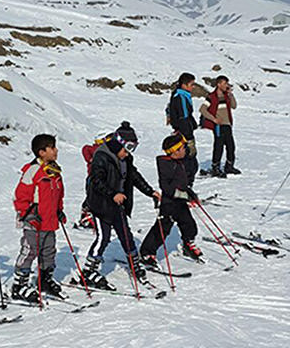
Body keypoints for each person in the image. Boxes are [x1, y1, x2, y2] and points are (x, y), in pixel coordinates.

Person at [82, 122, 161, 290]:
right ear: (118, 144)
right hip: (100, 205)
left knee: (126, 235)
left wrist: (150, 192)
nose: (127, 154)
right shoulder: (101, 156)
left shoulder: (126, 158)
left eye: (130, 151)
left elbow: (134, 176)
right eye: (126, 150)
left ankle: (135, 264)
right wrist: (113, 194)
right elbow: (97, 181)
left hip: (118, 205)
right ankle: (89, 271)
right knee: (103, 238)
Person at [12, 134, 66, 302]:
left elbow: (58, 194)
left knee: (49, 251)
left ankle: (44, 280)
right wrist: (27, 215)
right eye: (52, 148)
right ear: (42, 152)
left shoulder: (55, 171)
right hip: (34, 220)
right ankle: (19, 285)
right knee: (30, 250)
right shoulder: (33, 170)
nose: (56, 150)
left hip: (50, 220)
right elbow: (20, 196)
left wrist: (59, 210)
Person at [139, 134, 203, 269]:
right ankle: (147, 253)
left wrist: (191, 195)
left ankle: (188, 243)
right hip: (169, 203)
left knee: (189, 224)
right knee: (162, 229)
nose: (185, 149)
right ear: (175, 152)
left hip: (180, 202)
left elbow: (186, 180)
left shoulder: (182, 161)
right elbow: (166, 188)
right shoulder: (165, 164)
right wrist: (184, 195)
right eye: (182, 147)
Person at [199, 75, 240, 177]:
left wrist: (231, 95)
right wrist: (214, 119)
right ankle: (215, 167)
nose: (227, 85)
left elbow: (234, 106)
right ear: (218, 84)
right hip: (218, 126)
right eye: (224, 83)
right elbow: (202, 109)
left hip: (227, 125)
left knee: (231, 146)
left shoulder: (226, 96)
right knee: (219, 146)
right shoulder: (211, 96)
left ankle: (229, 166)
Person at [168, 73, 199, 184]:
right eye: (192, 84)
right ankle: (186, 187)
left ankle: (186, 186)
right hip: (184, 134)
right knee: (189, 162)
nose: (193, 87)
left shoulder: (179, 95)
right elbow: (183, 117)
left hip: (182, 131)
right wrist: (189, 138)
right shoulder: (181, 97)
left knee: (188, 162)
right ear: (184, 85)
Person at [78, 131, 112, 230]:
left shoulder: (106, 151)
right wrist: (90, 159)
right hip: (93, 179)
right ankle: (86, 216)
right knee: (92, 197)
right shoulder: (95, 149)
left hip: (103, 179)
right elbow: (85, 149)